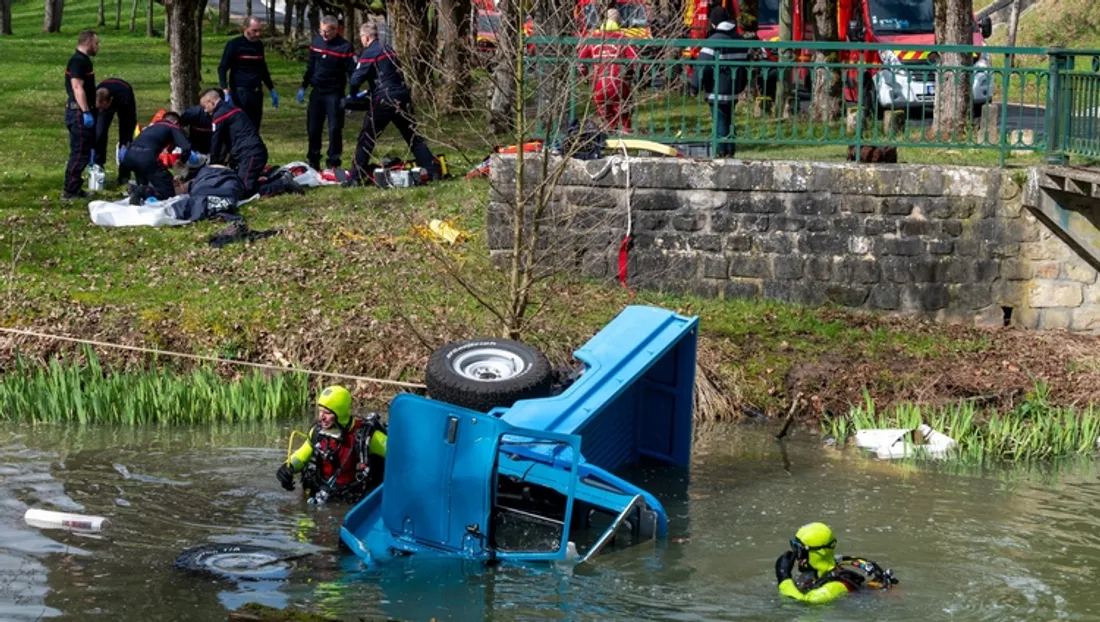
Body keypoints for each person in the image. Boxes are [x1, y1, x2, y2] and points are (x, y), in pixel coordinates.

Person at [344, 19, 437, 187]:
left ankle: (355, 178)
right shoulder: (389, 50)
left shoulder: (370, 52)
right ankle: (432, 171)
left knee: (366, 138)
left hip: (384, 100)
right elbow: (389, 76)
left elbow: (355, 80)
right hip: (402, 96)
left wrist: (352, 97)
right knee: (413, 137)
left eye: (361, 37)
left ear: (365, 37)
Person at [276, 385, 388, 504]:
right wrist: (289, 467)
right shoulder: (316, 432)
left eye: (327, 413)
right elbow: (301, 456)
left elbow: (401, 455)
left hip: (353, 499)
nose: (321, 417)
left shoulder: (367, 436)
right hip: (318, 493)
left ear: (340, 413)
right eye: (320, 411)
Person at [200, 88, 302, 199]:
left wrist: (213, 165)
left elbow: (216, 141)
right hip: (251, 152)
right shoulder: (231, 108)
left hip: (250, 154)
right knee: (239, 183)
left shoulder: (220, 114)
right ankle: (274, 178)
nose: (205, 110)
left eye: (205, 106)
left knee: (243, 191)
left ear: (211, 101)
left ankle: (281, 184)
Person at [774, 522, 897, 604]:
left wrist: (783, 576)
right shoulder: (815, 575)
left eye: (800, 551)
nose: (797, 557)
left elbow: (803, 603)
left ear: (819, 553)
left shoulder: (835, 586)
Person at [298, 15, 356, 174]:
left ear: (336, 30)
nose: (324, 35)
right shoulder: (316, 42)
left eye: (327, 32)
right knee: (313, 128)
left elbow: (352, 73)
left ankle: (333, 162)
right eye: (322, 31)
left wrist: (352, 94)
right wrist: (304, 86)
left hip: (334, 93)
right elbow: (310, 66)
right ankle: (313, 159)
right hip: (317, 92)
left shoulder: (344, 47)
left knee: (334, 128)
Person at [691, 7, 748, 157]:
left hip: (717, 89)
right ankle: (730, 149)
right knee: (729, 120)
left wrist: (695, 87)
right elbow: (746, 66)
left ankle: (721, 152)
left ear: (714, 24)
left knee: (720, 121)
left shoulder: (713, 42)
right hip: (734, 89)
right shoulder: (740, 40)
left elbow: (702, 66)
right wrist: (741, 85)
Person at [576, 9, 639, 134]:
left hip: (598, 84)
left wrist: (585, 77)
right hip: (618, 83)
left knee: (606, 117)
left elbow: (580, 62)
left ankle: (609, 137)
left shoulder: (593, 39)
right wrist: (632, 75)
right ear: (619, 22)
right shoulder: (623, 39)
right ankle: (627, 135)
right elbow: (636, 60)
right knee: (624, 111)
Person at [218, 16, 278, 132]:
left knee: (254, 126)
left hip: (256, 91)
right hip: (241, 91)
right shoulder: (234, 45)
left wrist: (271, 89)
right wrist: (224, 89)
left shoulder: (259, 45)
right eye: (254, 30)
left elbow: (263, 67)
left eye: (259, 30)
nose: (257, 34)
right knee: (241, 126)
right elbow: (222, 68)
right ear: (245, 28)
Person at [121, 111, 195, 204]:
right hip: (146, 158)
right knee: (168, 190)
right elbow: (186, 147)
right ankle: (141, 191)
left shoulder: (151, 128)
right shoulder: (173, 127)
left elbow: (168, 147)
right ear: (176, 122)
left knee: (146, 182)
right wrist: (182, 160)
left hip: (129, 158)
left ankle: (140, 191)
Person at [63, 30, 100, 201]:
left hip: (82, 111)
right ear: (88, 42)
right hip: (78, 113)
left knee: (83, 152)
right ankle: (70, 191)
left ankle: (75, 188)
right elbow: (77, 87)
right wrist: (85, 112)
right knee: (79, 153)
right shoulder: (78, 61)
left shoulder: (84, 61)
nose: (97, 47)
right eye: (96, 43)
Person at [93, 78, 137, 186]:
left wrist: (125, 144)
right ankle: (98, 167)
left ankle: (124, 175)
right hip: (104, 97)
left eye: (103, 108)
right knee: (99, 133)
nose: (101, 110)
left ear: (110, 101)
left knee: (126, 137)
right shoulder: (95, 96)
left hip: (124, 100)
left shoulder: (125, 97)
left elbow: (129, 123)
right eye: (99, 108)